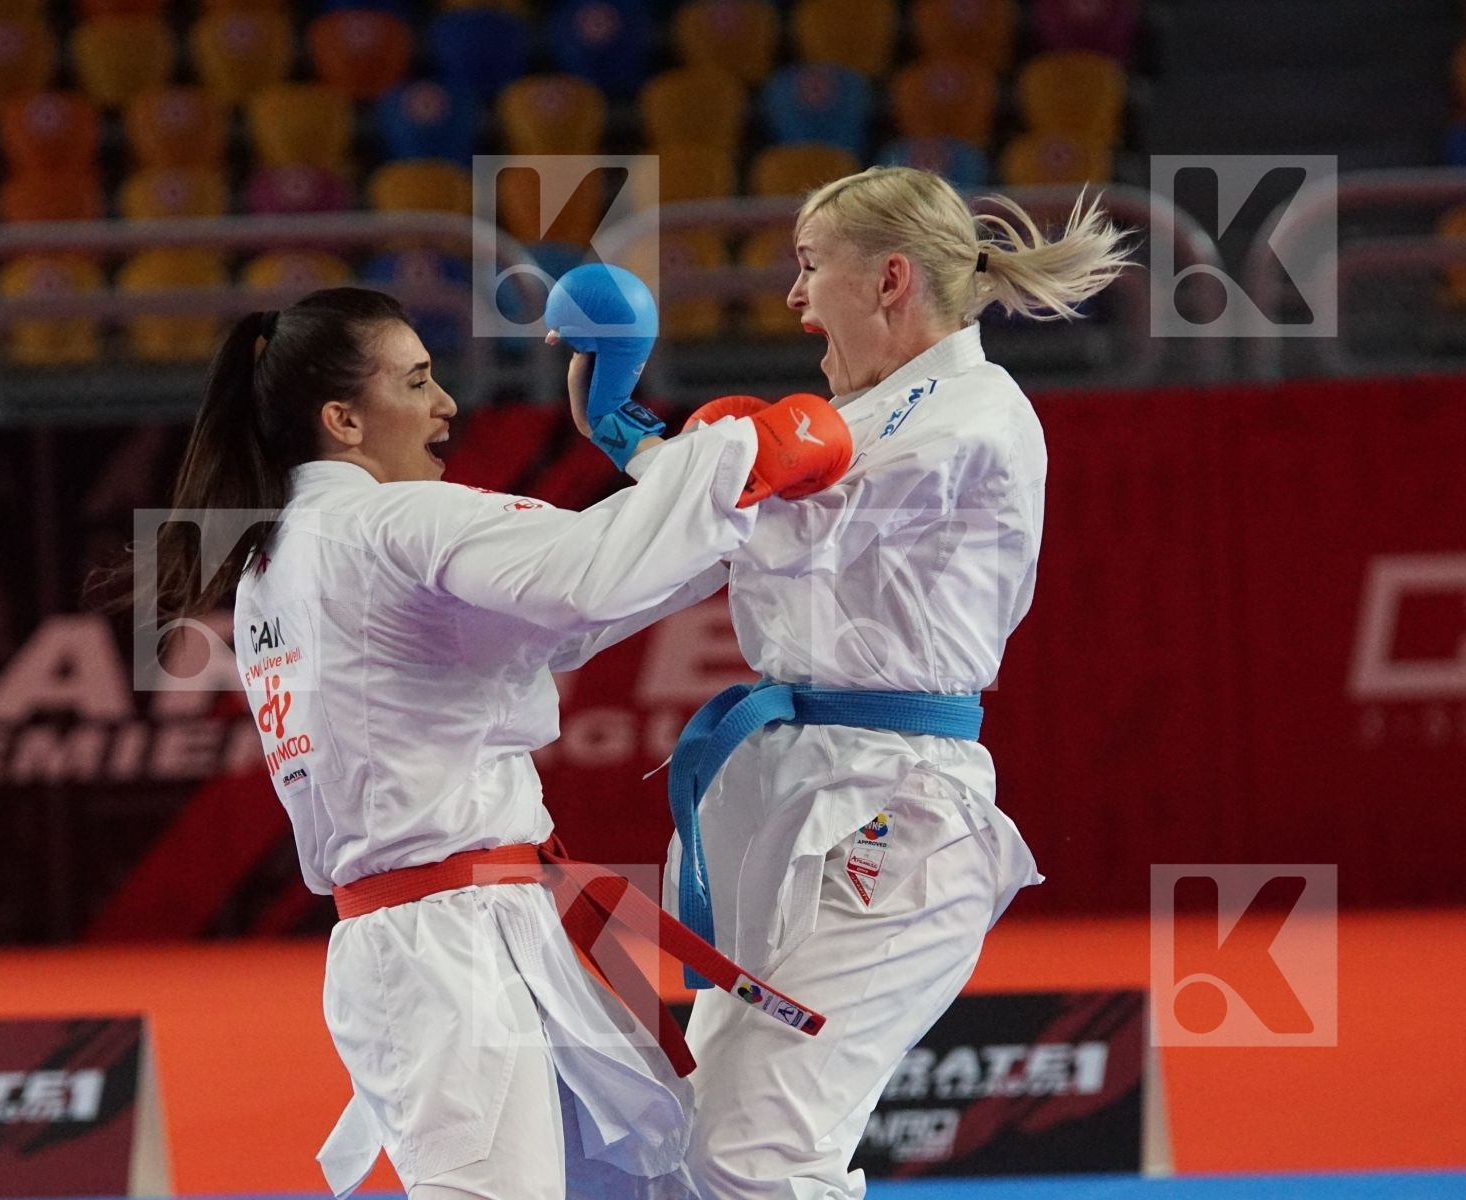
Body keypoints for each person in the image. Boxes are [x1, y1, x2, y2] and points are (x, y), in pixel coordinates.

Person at [141, 284, 850, 1200]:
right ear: (343, 420)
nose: (446, 406)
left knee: (642, 1183)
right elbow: (594, 574)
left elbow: (576, 612)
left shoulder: (284, 557)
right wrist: (735, 453)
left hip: (472, 926)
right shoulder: (387, 524)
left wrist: (696, 480)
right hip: (445, 940)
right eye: (418, 382)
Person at [591, 169, 1131, 1198]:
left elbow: (784, 522)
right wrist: (645, 457)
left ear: (888, 278)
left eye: (807, 265)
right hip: (786, 800)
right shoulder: (868, 415)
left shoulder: (970, 413)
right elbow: (703, 543)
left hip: (898, 816)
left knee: (755, 1157)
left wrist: (647, 446)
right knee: (683, 1152)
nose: (793, 299)